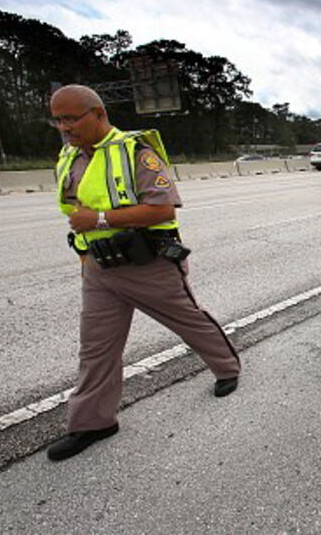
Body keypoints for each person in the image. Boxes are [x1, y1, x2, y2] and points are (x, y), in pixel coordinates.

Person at [46, 85, 241, 462]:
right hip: (100, 268)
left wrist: (98, 219)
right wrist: (87, 253)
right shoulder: (69, 157)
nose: (64, 127)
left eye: (71, 118)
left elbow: (163, 210)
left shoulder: (136, 151)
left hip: (147, 264)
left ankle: (227, 367)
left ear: (99, 114)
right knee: (95, 348)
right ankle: (93, 421)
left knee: (189, 321)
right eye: (57, 120)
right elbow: (76, 211)